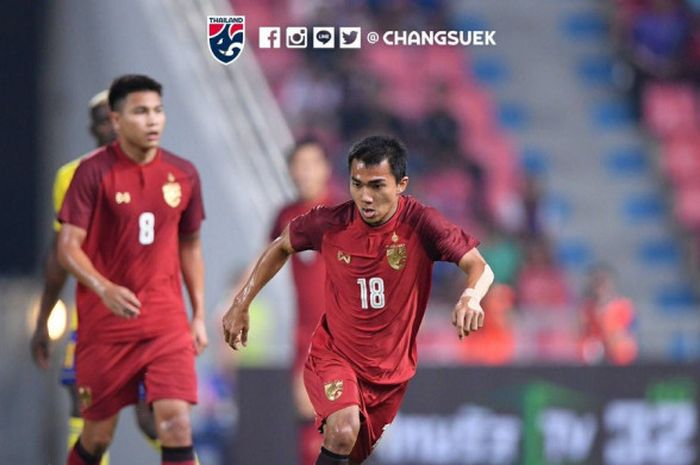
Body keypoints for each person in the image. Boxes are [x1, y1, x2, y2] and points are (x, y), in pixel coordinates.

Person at [223, 134, 494, 464]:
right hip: (328, 345)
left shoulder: (422, 223)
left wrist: (471, 297)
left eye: (377, 186)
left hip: (387, 363)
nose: (365, 197)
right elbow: (278, 246)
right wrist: (240, 302)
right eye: (357, 184)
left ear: (401, 184)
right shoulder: (328, 220)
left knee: (350, 444)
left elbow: (479, 265)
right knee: (337, 426)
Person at [56, 74, 207, 465]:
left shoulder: (183, 173)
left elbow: (190, 245)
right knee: (98, 435)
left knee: (174, 423)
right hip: (106, 326)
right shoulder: (90, 174)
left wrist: (199, 314)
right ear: (117, 120)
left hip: (165, 323)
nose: (153, 120)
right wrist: (103, 287)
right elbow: (67, 248)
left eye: (158, 110)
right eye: (140, 112)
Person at [30, 89, 160, 464]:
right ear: (94, 128)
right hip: (93, 318)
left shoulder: (161, 172)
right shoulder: (70, 177)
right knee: (85, 412)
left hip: (147, 315)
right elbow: (58, 257)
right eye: (105, 121)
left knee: (154, 416)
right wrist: (42, 319)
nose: (114, 128)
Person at [269, 138, 335, 465]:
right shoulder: (286, 215)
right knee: (306, 410)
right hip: (305, 333)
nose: (305, 171)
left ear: (326, 169)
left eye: (312, 163)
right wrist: (235, 301)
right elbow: (266, 259)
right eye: (299, 164)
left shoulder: (345, 214)